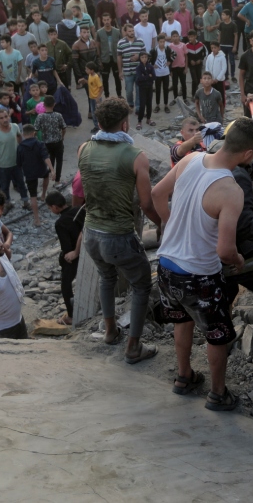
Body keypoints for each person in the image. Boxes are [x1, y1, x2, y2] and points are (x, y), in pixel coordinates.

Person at [152, 117, 253, 410]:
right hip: (199, 276)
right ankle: (217, 393)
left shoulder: (190, 159)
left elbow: (156, 194)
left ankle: (184, 376)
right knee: (218, 334)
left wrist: (172, 222)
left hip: (166, 265)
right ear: (249, 154)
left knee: (182, 319)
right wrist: (238, 260)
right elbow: (225, 250)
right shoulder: (231, 190)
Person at [77, 97, 162, 357]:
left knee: (106, 277)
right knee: (141, 284)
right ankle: (134, 347)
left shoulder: (83, 148)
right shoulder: (136, 156)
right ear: (125, 124)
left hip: (91, 232)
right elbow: (147, 204)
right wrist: (163, 223)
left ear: (99, 123)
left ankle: (110, 331)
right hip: (119, 236)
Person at [47, 192, 84, 325]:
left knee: (65, 284)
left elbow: (66, 247)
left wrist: (69, 255)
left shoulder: (60, 223)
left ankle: (71, 315)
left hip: (75, 255)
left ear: (55, 207)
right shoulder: (79, 209)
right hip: (88, 250)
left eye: (50, 208)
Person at [0, 109, 30, 209]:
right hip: (3, 165)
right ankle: (7, 203)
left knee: (21, 183)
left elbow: (19, 137)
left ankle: (25, 202)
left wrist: (22, 149)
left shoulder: (15, 126)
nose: (5, 119)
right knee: (5, 186)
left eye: (6, 116)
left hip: (16, 163)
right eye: (1, 118)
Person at [17, 123, 52, 226]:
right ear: (34, 133)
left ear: (23, 134)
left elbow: (18, 163)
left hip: (29, 173)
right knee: (46, 176)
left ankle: (37, 220)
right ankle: (43, 194)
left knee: (32, 196)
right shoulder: (40, 144)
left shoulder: (20, 147)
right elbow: (46, 157)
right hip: (41, 169)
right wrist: (52, 169)